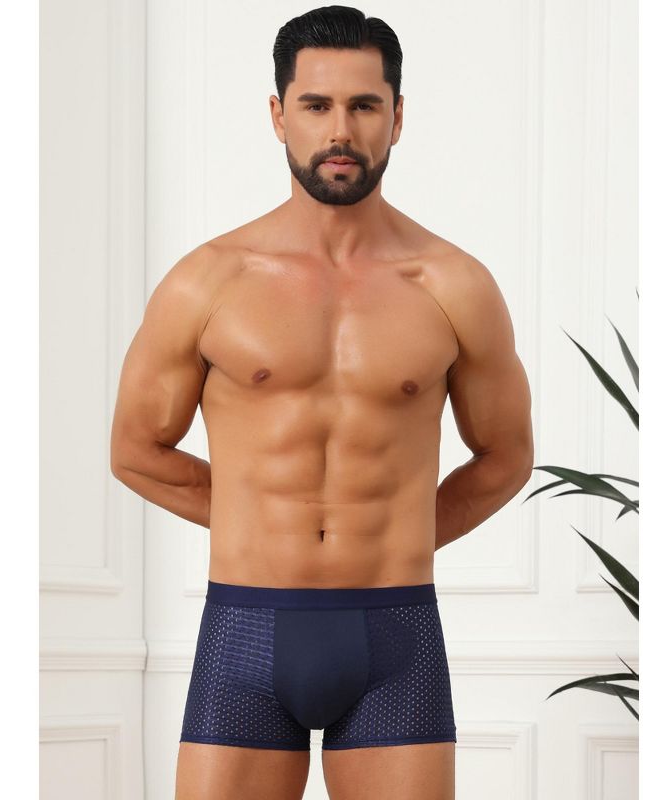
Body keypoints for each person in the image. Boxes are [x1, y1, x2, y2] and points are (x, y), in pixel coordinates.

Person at [110, 6, 534, 799]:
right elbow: (135, 449)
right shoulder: (209, 281)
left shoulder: (454, 285)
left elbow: (506, 456)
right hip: (246, 628)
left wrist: (397, 532)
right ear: (279, 116)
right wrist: (251, 517)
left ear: (397, 117)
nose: (341, 130)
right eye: (316, 105)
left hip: (395, 633)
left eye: (364, 105)